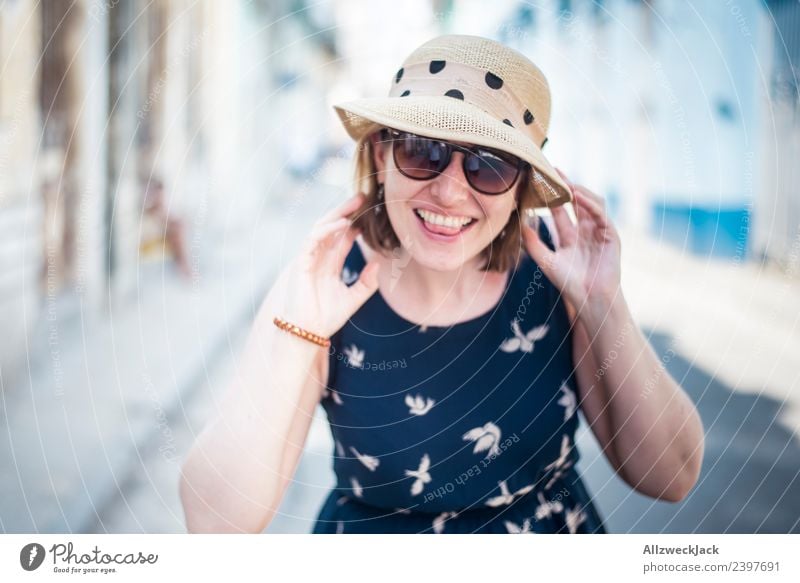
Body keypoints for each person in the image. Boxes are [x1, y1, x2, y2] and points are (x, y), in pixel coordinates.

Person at [179, 35, 705, 534]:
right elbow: (214, 521)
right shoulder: (327, 284)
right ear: (382, 157)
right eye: (422, 150)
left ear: (519, 186)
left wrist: (603, 305)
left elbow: (671, 475)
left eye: (489, 165)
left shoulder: (558, 278)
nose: (450, 192)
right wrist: (295, 333)